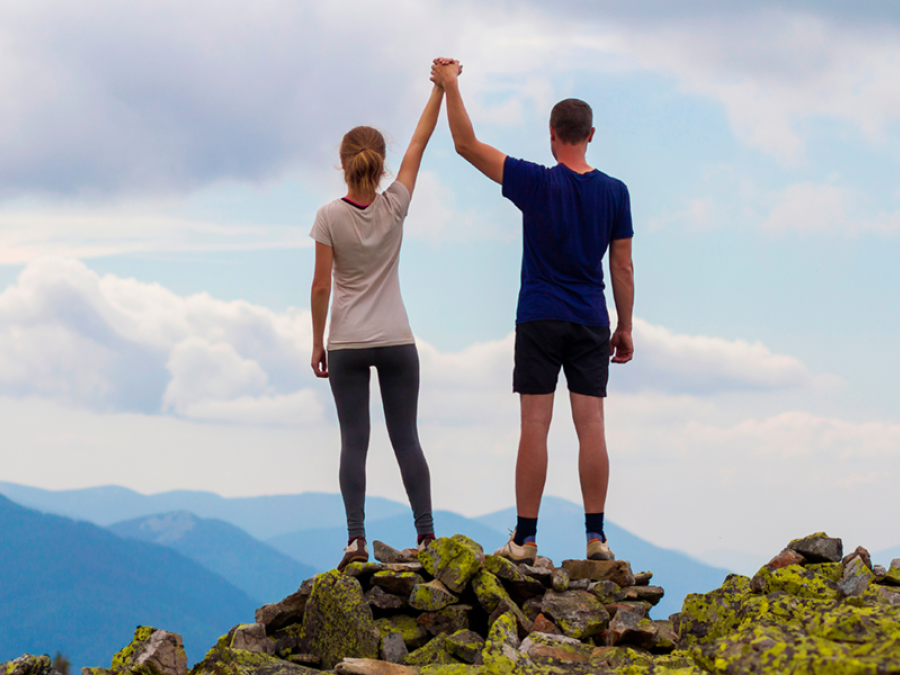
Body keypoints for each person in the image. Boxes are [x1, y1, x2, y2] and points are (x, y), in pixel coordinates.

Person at [430, 58, 635, 565]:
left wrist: (451, 85)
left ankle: (524, 539)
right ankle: (596, 538)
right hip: (591, 317)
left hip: (540, 315)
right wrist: (625, 325)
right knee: (592, 427)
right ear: (591, 135)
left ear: (551, 134)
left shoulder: (536, 182)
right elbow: (623, 267)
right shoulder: (615, 192)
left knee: (534, 426)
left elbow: (464, 145)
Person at [309, 75, 456, 570]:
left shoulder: (329, 216)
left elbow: (321, 287)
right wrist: (441, 87)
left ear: (343, 163)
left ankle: (355, 542)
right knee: (407, 438)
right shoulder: (395, 205)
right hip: (396, 339)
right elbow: (420, 139)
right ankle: (428, 535)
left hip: (347, 341)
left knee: (354, 441)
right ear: (380, 163)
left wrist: (317, 342)